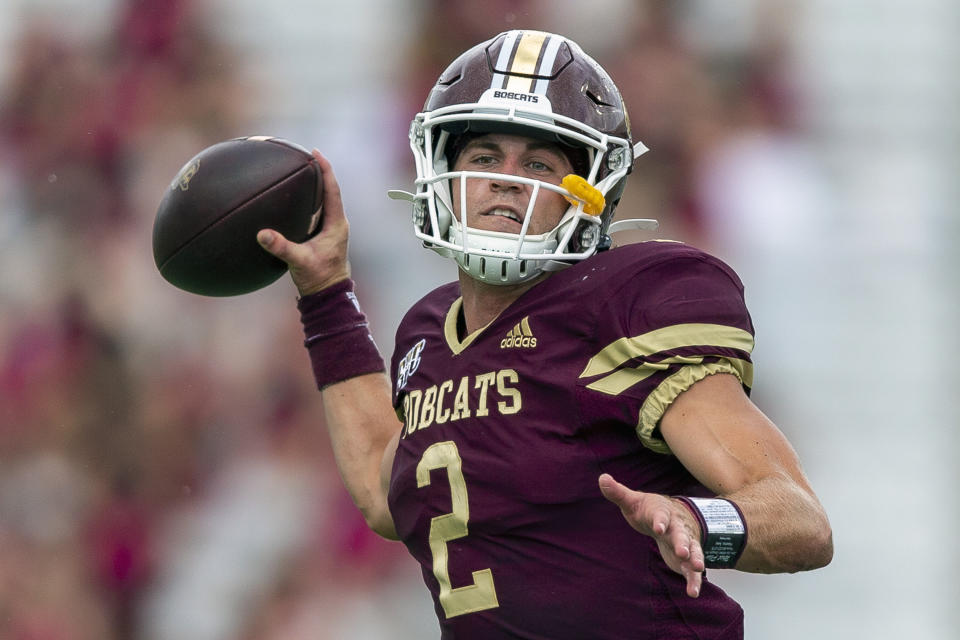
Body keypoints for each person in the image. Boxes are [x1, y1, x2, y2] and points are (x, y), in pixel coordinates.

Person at [256, 30, 832, 640]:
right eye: (484, 157)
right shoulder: (427, 332)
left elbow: (801, 519)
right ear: (442, 171)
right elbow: (381, 489)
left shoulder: (622, 304)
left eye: (537, 163)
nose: (507, 179)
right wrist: (325, 294)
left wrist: (699, 519)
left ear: (587, 194)